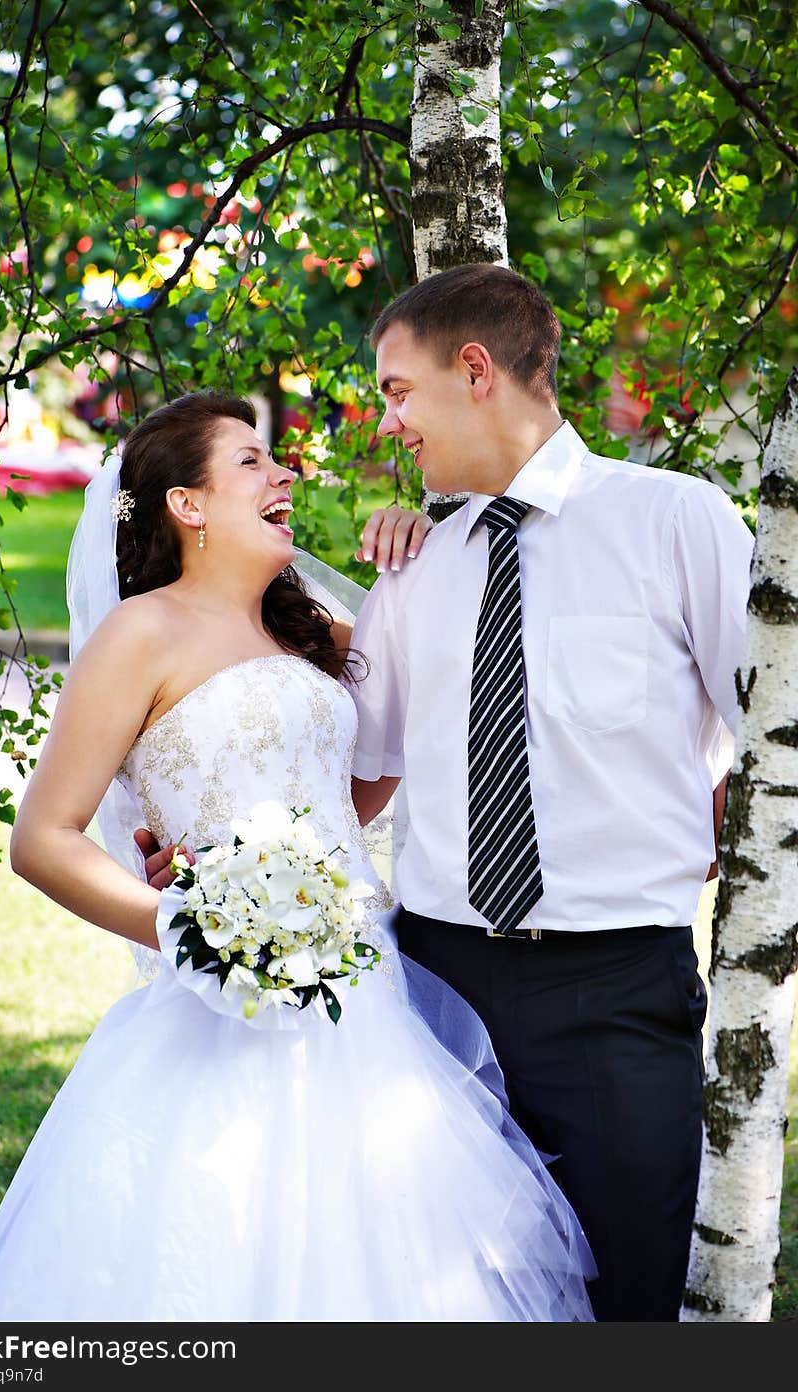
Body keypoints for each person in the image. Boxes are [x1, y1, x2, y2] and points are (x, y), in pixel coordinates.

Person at [0, 389, 595, 1322]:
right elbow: (42, 838)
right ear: (188, 504)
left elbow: (374, 769)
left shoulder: (316, 633)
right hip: (221, 1008)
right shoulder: (141, 634)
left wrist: (413, 552)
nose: (283, 472)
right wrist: (193, 926)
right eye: (252, 461)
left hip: (365, 989)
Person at [342, 263, 755, 1322]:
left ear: (473, 371)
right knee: (446, 1301)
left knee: (624, 1298)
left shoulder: (678, 521)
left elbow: (772, 730)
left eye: (397, 390)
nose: (389, 422)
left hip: (617, 988)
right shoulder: (413, 562)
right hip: (436, 991)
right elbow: (357, 775)